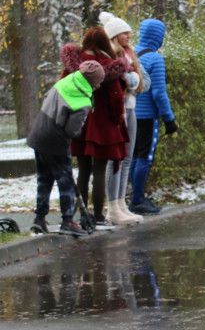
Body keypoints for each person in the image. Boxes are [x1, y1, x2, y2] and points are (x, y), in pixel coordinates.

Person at [26, 61, 105, 237]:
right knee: (66, 182)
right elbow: (72, 130)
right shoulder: (83, 100)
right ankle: (68, 221)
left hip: (39, 133)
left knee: (44, 179)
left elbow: (47, 98)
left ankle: (39, 218)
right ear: (94, 82)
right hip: (56, 141)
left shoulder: (65, 82)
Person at [62, 27, 129, 230]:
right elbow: (116, 97)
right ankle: (98, 216)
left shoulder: (74, 64)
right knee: (99, 170)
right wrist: (118, 119)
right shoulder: (108, 65)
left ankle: (82, 215)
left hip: (79, 121)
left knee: (83, 170)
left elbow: (63, 88)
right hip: (102, 124)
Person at [101, 12, 146, 226]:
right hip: (118, 110)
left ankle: (121, 204)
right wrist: (132, 79)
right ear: (115, 35)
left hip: (131, 107)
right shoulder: (111, 55)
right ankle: (113, 207)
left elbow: (139, 82)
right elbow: (119, 81)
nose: (129, 35)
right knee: (116, 159)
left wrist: (133, 79)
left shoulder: (131, 53)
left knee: (127, 157)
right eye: (124, 32)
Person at [129, 18, 178, 215]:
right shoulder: (155, 59)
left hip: (130, 114)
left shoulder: (130, 54)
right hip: (148, 116)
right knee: (144, 157)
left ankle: (134, 197)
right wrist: (169, 118)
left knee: (133, 156)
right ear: (158, 37)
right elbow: (158, 93)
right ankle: (137, 200)